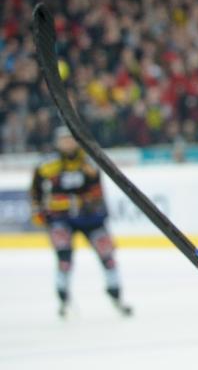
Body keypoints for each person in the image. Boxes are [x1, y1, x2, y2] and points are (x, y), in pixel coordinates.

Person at [30, 126, 133, 318]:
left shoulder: (89, 162)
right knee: (64, 260)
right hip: (61, 220)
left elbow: (97, 191)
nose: (68, 143)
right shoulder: (46, 164)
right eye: (64, 140)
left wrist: (84, 203)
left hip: (91, 219)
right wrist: (39, 209)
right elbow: (36, 191)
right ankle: (63, 297)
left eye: (71, 139)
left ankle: (115, 292)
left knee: (108, 257)